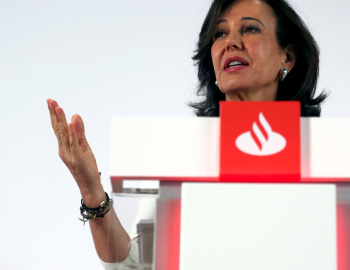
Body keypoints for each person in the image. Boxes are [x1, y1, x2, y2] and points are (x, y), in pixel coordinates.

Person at [47, 0, 327, 267]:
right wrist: (91, 192)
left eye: (250, 28)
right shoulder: (183, 158)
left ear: (287, 56)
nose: (231, 42)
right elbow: (134, 266)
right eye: (220, 33)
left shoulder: (326, 156)